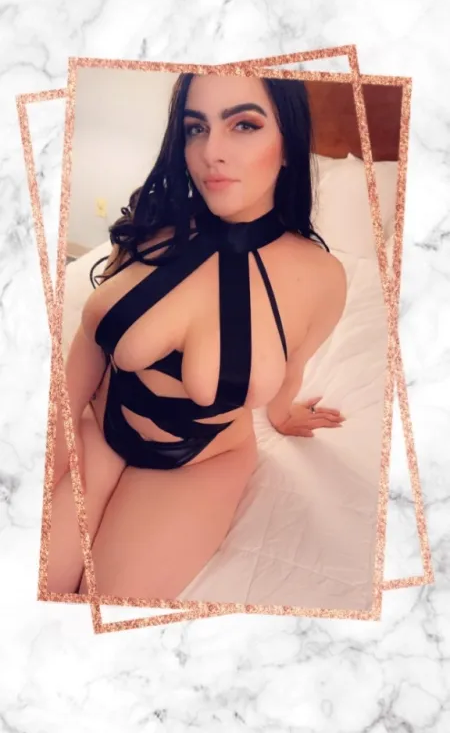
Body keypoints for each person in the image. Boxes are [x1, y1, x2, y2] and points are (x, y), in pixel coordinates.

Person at [48, 72, 347, 599]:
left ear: (288, 145)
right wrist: (57, 430)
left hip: (202, 461)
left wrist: (283, 416)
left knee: (107, 605)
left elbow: (291, 366)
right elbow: (94, 341)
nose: (212, 152)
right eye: (195, 128)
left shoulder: (322, 279)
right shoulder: (154, 223)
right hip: (102, 426)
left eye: (244, 125)